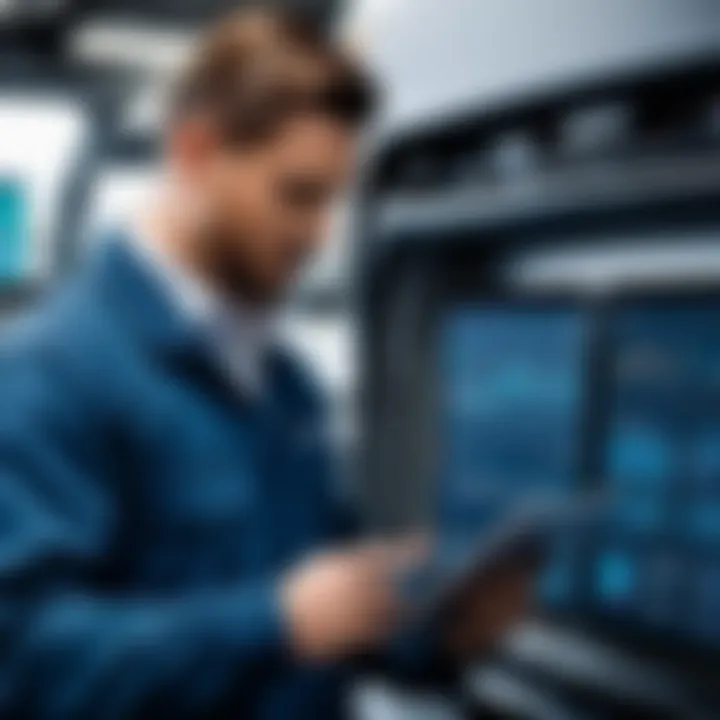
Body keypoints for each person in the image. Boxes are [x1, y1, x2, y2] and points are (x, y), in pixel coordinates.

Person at [0, 10, 535, 719]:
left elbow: (330, 613)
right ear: (195, 154)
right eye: (296, 194)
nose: (320, 234)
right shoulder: (52, 375)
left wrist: (436, 631)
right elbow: (27, 662)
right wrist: (272, 621)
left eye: (334, 201)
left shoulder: (288, 389)